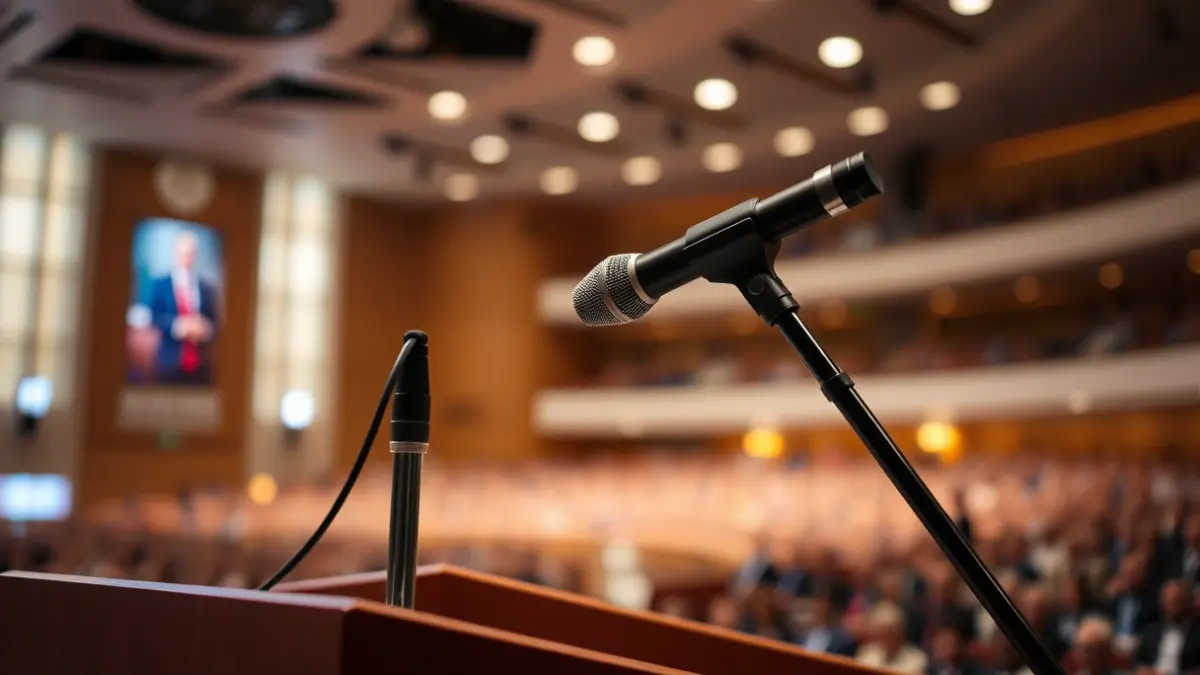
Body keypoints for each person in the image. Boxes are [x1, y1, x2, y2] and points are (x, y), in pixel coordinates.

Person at [149, 230, 218, 385]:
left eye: (191, 253)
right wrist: (177, 326)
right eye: (184, 253)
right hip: (169, 362)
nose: (187, 257)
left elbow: (214, 322)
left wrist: (204, 328)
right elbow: (153, 316)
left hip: (200, 364)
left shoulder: (205, 287)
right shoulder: (161, 284)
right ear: (176, 254)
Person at [1133, 580, 1200, 674]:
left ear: (1188, 603)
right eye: (1167, 603)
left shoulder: (1197, 634)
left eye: (1176, 602)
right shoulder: (1151, 631)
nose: (1170, 608)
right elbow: (1139, 662)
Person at [857, 602, 929, 675]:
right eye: (882, 632)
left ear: (901, 632)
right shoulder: (867, 655)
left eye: (890, 632)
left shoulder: (917, 660)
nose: (886, 637)